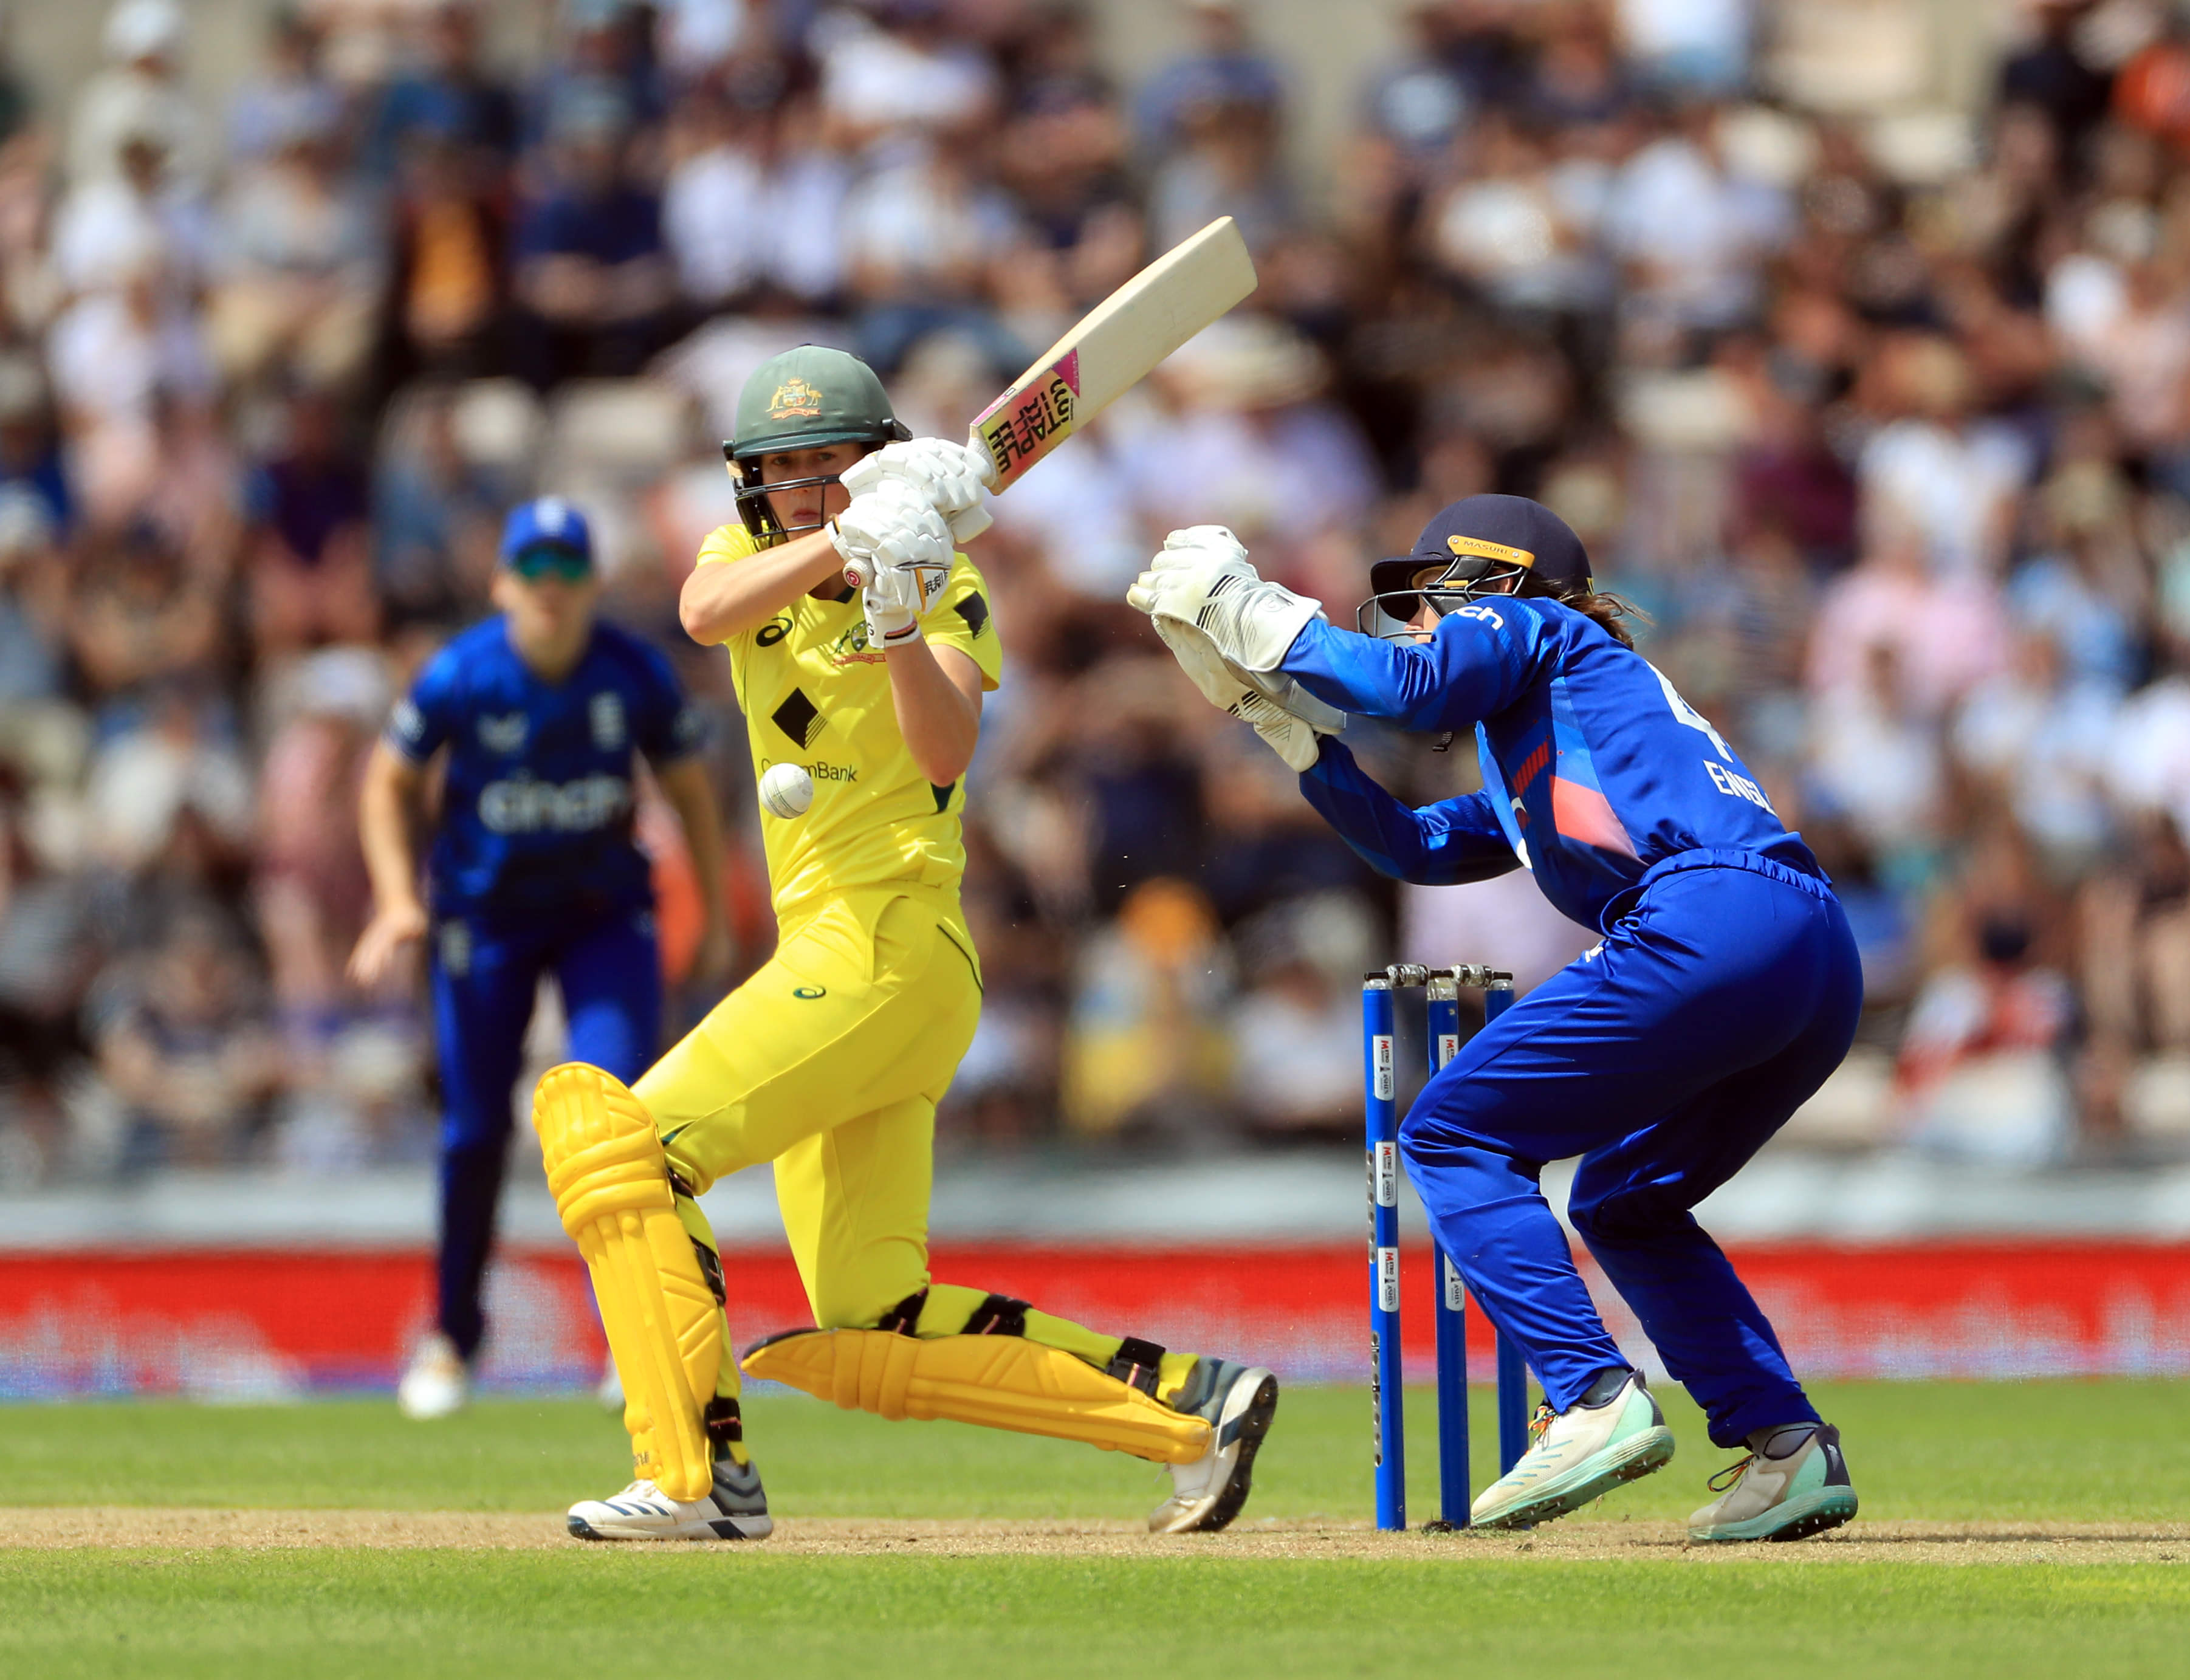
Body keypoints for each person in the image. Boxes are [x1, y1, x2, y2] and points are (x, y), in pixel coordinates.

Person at [532, 345, 1275, 1543]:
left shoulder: (942, 583)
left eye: (833, 468)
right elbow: (700, 609)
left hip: (886, 949)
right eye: (783, 473)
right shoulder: (750, 556)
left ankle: (690, 1476)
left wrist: (892, 609)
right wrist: (850, 539)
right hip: (846, 965)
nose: (805, 489)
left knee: (622, 1146)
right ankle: (1191, 1408)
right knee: (876, 1317)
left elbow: (941, 752)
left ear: (877, 463)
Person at [1130, 494, 1864, 1543]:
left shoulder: (1538, 625)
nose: (1415, 621)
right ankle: (1789, 1448)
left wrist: (1253, 610)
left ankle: (1590, 1398)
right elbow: (1415, 848)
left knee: (1448, 1130)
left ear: (1485, 579)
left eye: (1425, 599)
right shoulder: (1555, 738)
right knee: (1624, 1199)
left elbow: (1412, 688)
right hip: (1809, 951)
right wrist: (1285, 730)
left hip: (1712, 912)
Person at [349, 497, 730, 1420]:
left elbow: (689, 793)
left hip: (604, 916)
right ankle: (451, 1337)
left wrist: (715, 913)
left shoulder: (631, 671)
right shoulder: (464, 673)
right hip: (485, 922)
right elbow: (387, 779)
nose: (551, 591)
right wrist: (397, 899)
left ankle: (633, 1341)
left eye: (569, 573)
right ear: (503, 584)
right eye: (535, 574)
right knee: (475, 1129)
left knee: (615, 1119)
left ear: (593, 583)